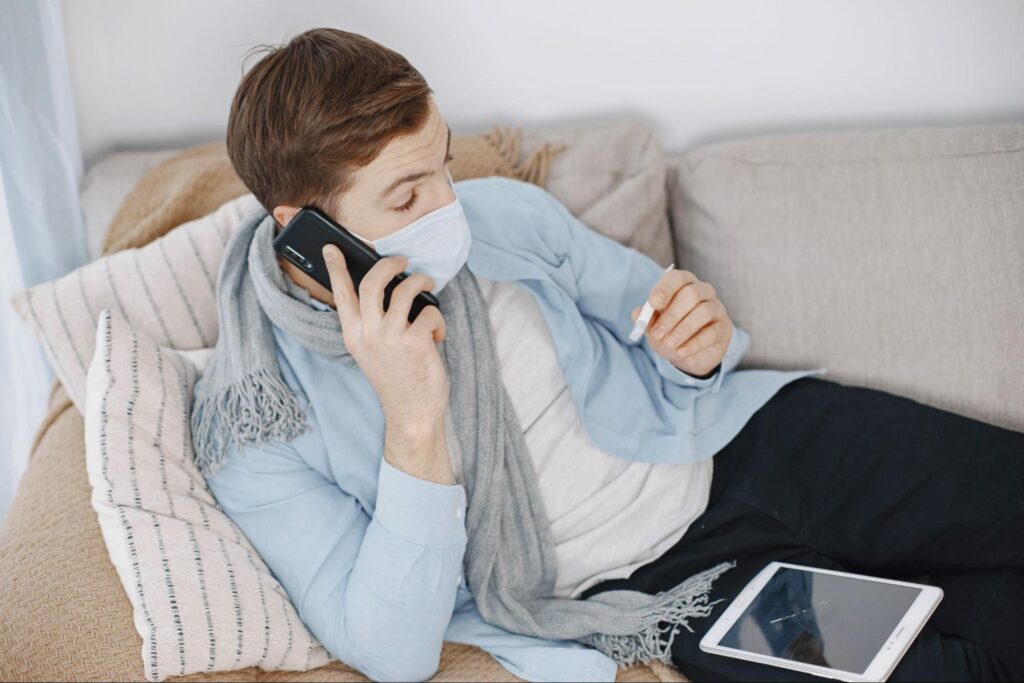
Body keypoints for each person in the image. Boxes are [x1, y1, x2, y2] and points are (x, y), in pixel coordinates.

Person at [193, 27, 1024, 682]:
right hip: (683, 584)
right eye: (407, 196)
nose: (451, 208)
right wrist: (414, 422)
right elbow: (394, 650)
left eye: (443, 164)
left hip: (749, 442)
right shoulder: (258, 425)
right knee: (947, 669)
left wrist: (689, 348)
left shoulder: (505, 218)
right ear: (303, 233)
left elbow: (657, 318)